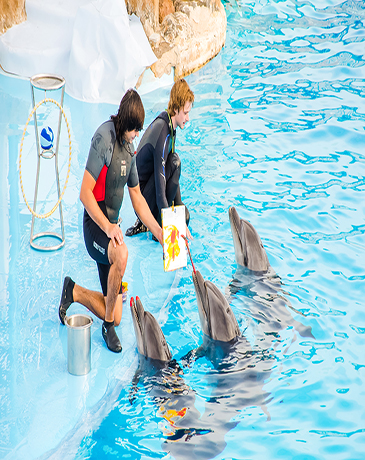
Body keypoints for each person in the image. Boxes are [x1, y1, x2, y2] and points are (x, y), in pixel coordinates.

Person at [58, 89, 163, 353]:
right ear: (126, 123)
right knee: (122, 254)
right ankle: (107, 328)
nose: (137, 135)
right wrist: (108, 227)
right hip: (95, 227)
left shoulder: (129, 151)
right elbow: (84, 193)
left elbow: (137, 197)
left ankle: (73, 292)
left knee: (115, 312)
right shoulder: (103, 138)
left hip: (109, 230)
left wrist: (160, 233)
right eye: (135, 130)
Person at [125, 78, 194, 238]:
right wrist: (171, 223)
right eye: (185, 113)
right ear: (176, 109)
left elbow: (171, 173)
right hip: (142, 200)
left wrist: (179, 210)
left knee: (185, 216)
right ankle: (148, 223)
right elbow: (160, 182)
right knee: (175, 162)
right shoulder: (162, 131)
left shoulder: (170, 126)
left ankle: (157, 221)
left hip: (151, 189)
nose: (187, 118)